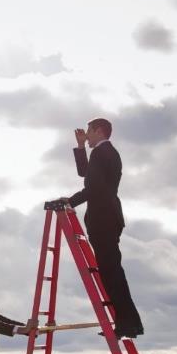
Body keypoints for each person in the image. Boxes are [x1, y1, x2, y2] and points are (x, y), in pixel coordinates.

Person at [65, 117, 144, 339]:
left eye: (88, 132)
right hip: (108, 218)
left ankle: (128, 324)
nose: (86, 135)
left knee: (112, 273)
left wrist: (69, 201)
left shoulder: (103, 153)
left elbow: (93, 187)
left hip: (104, 218)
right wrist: (80, 147)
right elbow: (85, 174)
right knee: (111, 272)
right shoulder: (103, 152)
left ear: (99, 131)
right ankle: (128, 323)